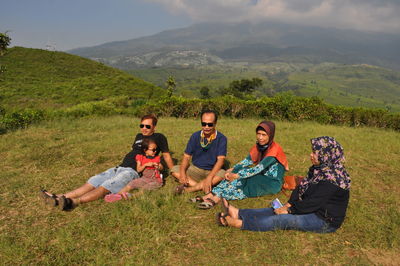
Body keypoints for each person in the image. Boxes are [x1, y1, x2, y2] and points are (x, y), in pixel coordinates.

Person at [216, 136, 350, 233]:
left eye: (315, 152)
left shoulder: (334, 179)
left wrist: (290, 210)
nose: (311, 155)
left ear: (326, 155)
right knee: (275, 210)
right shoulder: (319, 169)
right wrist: (289, 203)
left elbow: (314, 203)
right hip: (311, 207)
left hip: (324, 219)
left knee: (285, 219)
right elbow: (301, 187)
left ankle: (240, 223)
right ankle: (238, 212)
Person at [41, 114, 174, 211]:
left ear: (154, 127)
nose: (144, 128)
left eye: (147, 126)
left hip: (132, 172)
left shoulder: (159, 137)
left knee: (105, 187)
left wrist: (173, 171)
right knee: (92, 182)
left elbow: (167, 156)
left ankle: (73, 202)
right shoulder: (138, 136)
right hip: (118, 168)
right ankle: (58, 197)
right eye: (142, 125)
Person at [192, 120, 288, 209]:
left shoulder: (274, 151)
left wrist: (236, 175)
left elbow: (258, 168)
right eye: (258, 134)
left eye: (264, 135)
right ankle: (211, 194)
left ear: (270, 136)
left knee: (243, 180)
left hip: (271, 182)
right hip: (261, 175)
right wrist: (233, 169)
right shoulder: (259, 146)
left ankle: (218, 198)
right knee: (238, 171)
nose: (260, 137)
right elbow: (246, 161)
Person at [171, 110, 227, 195]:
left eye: (210, 124)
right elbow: (186, 157)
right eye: (204, 124)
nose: (206, 127)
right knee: (175, 169)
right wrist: (182, 173)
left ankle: (189, 189)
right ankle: (203, 186)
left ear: (215, 123)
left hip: (213, 170)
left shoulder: (221, 138)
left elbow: (221, 160)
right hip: (195, 169)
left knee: (223, 174)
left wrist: (210, 177)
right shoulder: (195, 136)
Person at [104, 138, 163, 202]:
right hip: (144, 179)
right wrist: (145, 165)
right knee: (131, 184)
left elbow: (161, 168)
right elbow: (138, 170)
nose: (155, 151)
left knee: (144, 189)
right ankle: (116, 195)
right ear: (145, 150)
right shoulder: (140, 158)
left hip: (156, 180)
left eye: (156, 149)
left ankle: (132, 196)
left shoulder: (157, 158)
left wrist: (159, 166)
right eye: (153, 150)